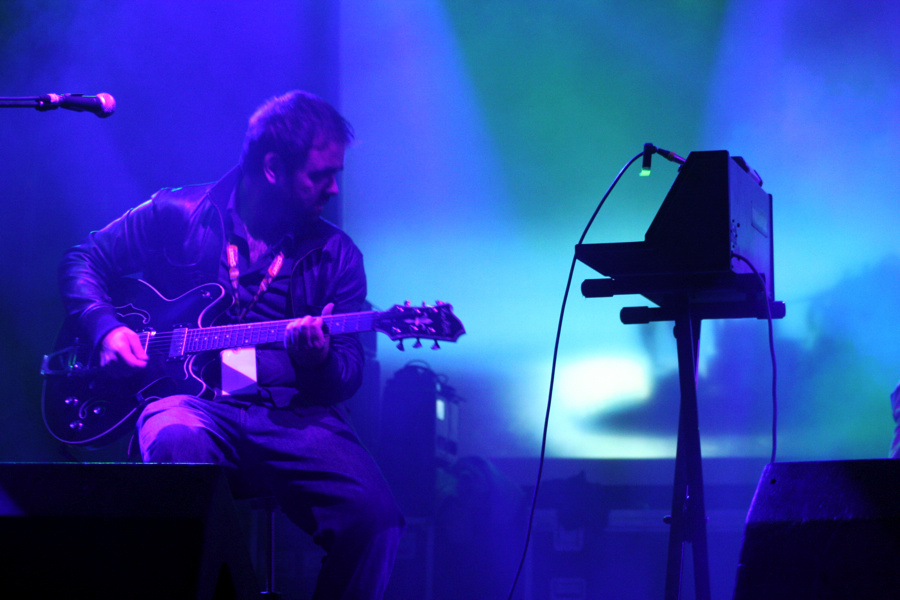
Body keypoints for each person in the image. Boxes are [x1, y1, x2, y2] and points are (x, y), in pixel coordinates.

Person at [58, 90, 404, 599]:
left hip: (290, 414)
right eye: (319, 174)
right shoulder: (178, 211)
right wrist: (105, 327)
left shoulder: (337, 255)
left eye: (337, 175)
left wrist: (320, 360)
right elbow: (84, 258)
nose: (333, 188)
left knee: (376, 519)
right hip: (188, 403)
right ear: (272, 168)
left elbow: (347, 374)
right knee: (177, 441)